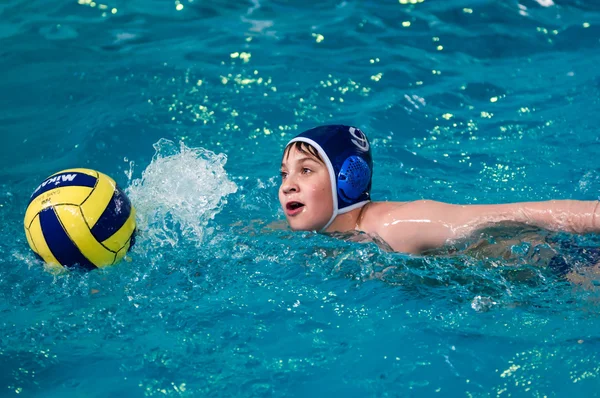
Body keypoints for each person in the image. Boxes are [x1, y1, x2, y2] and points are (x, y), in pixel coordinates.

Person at [278, 124, 600, 255]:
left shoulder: (397, 225)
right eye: (283, 174)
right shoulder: (329, 231)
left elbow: (511, 214)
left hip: (560, 268)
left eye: (305, 170)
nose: (287, 186)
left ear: (348, 177)